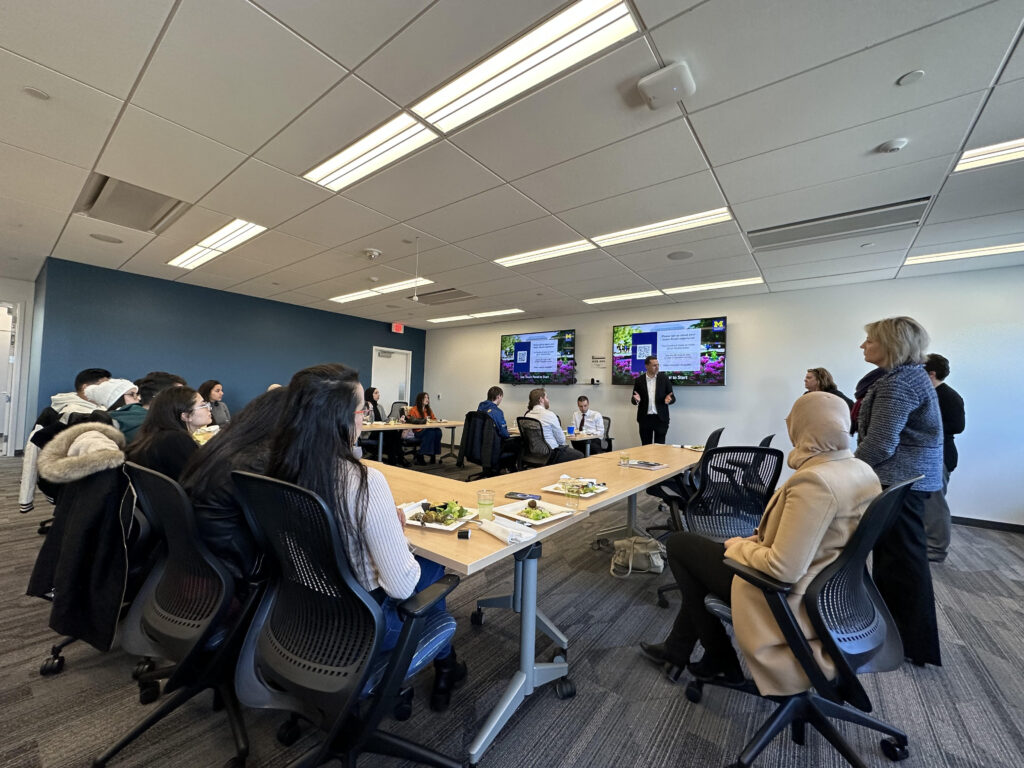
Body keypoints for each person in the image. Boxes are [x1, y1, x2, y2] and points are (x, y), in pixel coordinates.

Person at [640, 392, 881, 694]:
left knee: (680, 545)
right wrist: (756, 539)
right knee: (696, 570)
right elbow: (822, 537)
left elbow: (783, 569)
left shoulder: (816, 482)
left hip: (784, 596)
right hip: (832, 593)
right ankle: (683, 652)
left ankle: (719, 658)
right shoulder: (861, 471)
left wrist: (738, 546)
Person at [265, 363, 465, 711]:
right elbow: (402, 588)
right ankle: (446, 665)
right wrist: (394, 534)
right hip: (366, 627)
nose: (365, 419)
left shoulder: (279, 469)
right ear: (340, 417)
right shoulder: (363, 482)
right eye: (362, 411)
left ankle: (446, 665)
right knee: (436, 567)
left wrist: (382, 523)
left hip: (302, 615)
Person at [855, 316, 943, 667]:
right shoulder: (906, 377)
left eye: (869, 341)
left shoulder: (898, 384)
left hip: (901, 480)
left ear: (891, 344)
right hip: (909, 478)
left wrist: (846, 469)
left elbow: (880, 443)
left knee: (902, 561)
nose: (863, 346)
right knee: (896, 558)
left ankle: (909, 642)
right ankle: (896, 633)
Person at [180, 387, 288, 586]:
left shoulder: (225, 446)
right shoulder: (256, 462)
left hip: (206, 554)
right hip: (236, 564)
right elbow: (284, 526)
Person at [19, 367, 111, 513]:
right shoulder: (73, 414)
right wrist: (26, 498)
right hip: (66, 481)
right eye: (104, 386)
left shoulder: (99, 410)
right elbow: (33, 451)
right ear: (86, 388)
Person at [921, 354, 965, 562]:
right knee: (926, 504)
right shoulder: (930, 395)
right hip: (931, 454)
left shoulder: (948, 396)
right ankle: (926, 545)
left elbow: (957, 426)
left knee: (935, 505)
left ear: (931, 373)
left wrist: (924, 427)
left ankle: (936, 550)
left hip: (940, 456)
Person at [127, 386, 212, 481]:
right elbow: (198, 481)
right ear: (185, 416)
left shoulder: (154, 436)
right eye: (203, 405)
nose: (209, 408)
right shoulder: (175, 440)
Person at [524, 388, 584, 464]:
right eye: (546, 397)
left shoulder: (527, 415)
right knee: (580, 455)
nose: (548, 400)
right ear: (541, 399)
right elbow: (561, 440)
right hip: (552, 454)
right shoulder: (549, 414)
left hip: (534, 454)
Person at [631, 356, 676, 445]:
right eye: (654, 365)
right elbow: (633, 399)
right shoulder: (639, 380)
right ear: (647, 366)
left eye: (658, 365)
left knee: (660, 447)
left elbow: (672, 397)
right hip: (645, 419)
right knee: (645, 446)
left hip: (661, 419)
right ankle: (645, 460)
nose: (657, 367)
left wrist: (669, 400)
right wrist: (636, 400)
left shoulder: (664, 378)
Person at [363, 385, 408, 467]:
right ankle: (398, 458)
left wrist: (397, 420)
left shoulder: (380, 406)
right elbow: (365, 421)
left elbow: (385, 419)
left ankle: (395, 458)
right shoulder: (364, 406)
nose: (378, 395)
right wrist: (369, 408)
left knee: (393, 433)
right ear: (370, 394)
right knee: (391, 434)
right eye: (376, 393)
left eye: (378, 393)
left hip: (381, 430)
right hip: (370, 433)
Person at [406, 392, 443, 466]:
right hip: (418, 431)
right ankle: (420, 454)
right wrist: (425, 420)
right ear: (420, 399)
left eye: (428, 398)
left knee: (438, 431)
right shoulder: (414, 409)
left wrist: (435, 421)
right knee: (430, 432)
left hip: (427, 429)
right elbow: (411, 420)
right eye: (425, 398)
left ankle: (433, 453)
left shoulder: (428, 409)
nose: (427, 399)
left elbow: (434, 419)